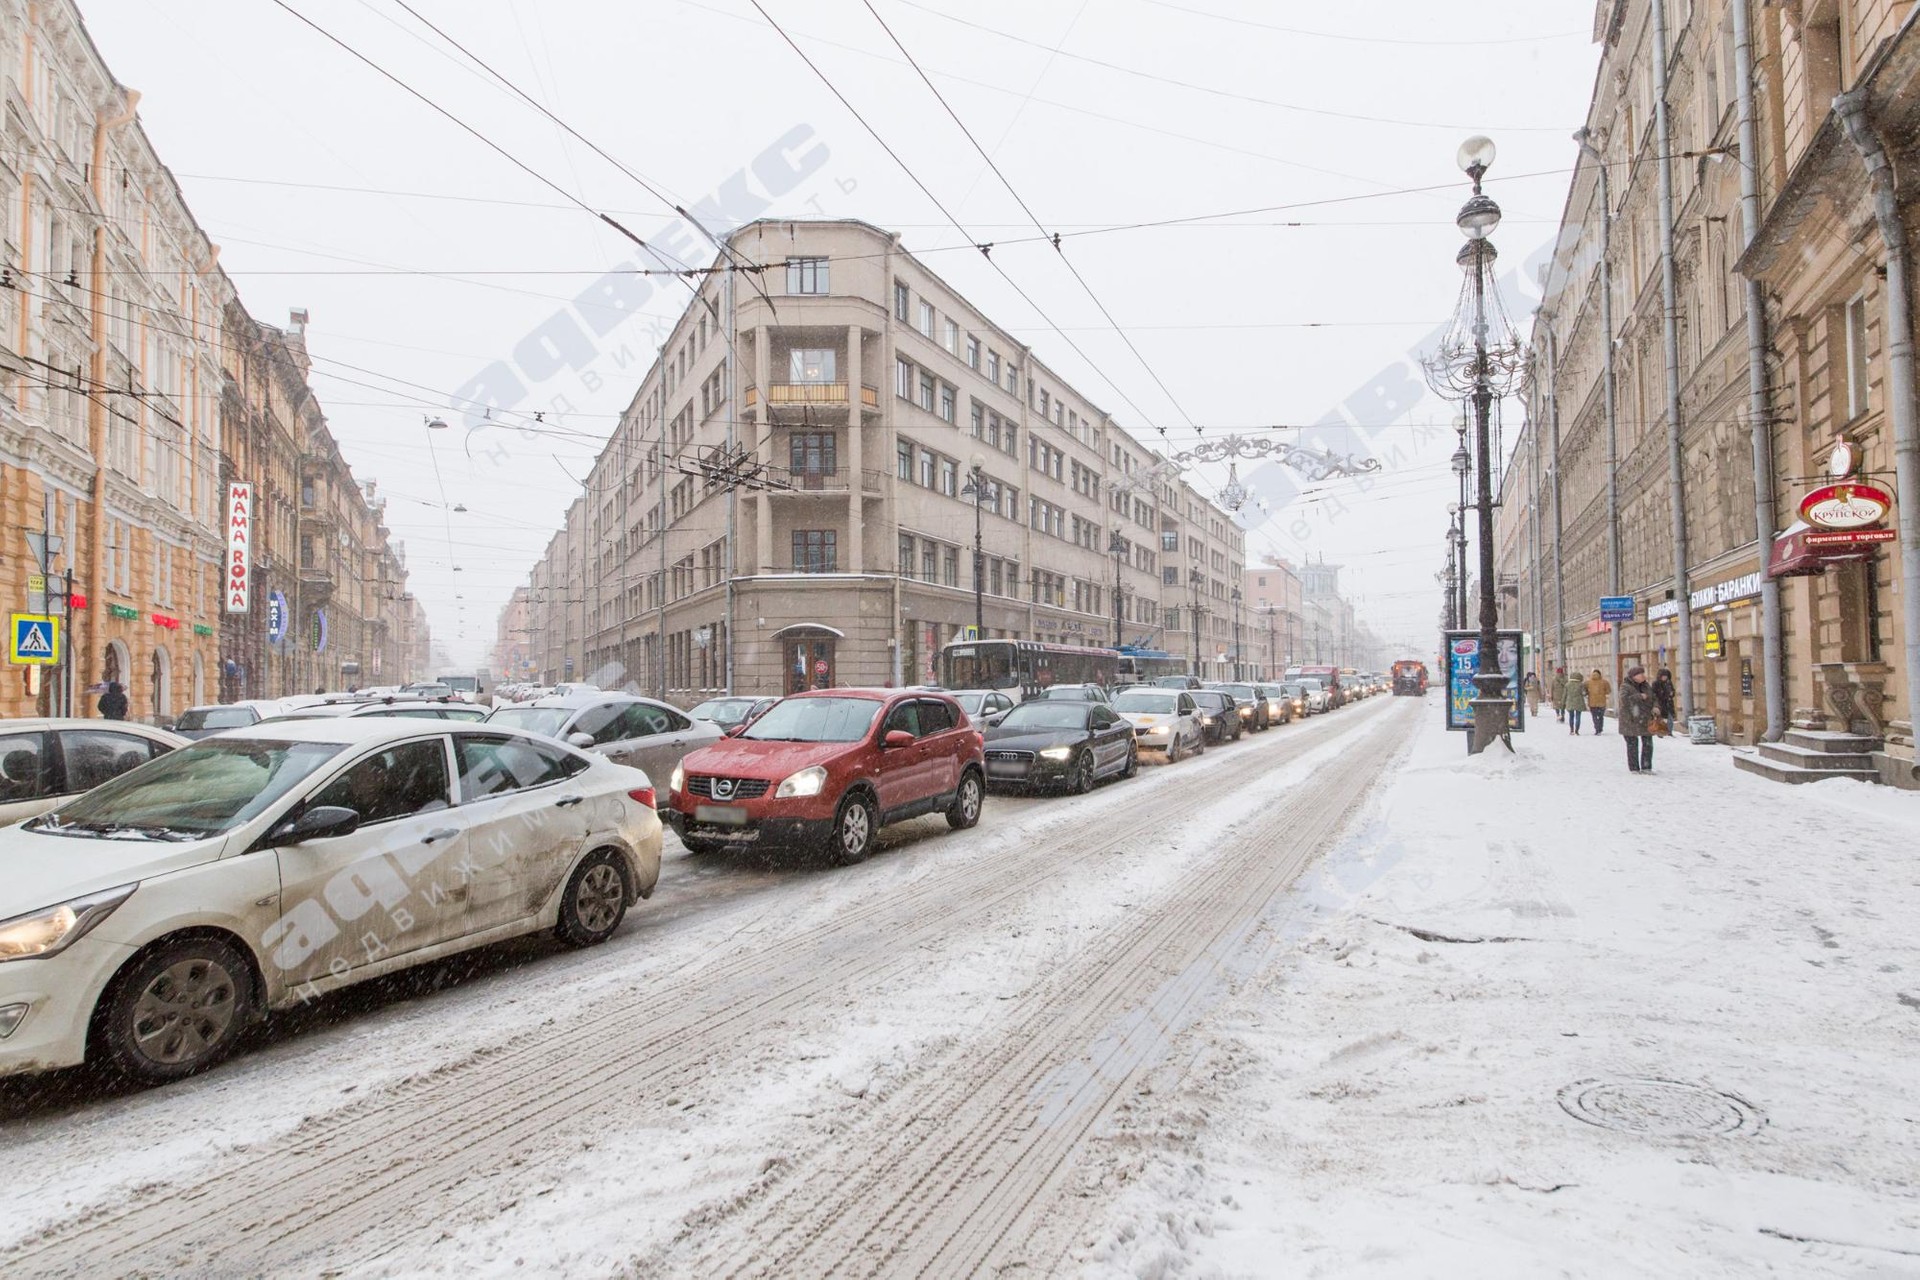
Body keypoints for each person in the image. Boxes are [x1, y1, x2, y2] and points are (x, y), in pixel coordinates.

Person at [1619, 665, 1658, 773]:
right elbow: (1624, 700)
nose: (1643, 676)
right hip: (1630, 720)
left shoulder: (1646, 686)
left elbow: (1653, 698)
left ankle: (1646, 767)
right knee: (1632, 744)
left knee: (1648, 743)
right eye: (1641, 674)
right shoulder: (1625, 686)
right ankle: (1634, 768)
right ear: (1634, 676)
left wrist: (1656, 706)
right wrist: (1639, 696)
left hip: (1645, 719)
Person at [1586, 668, 1613, 734]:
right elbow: (1608, 691)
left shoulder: (1588, 682)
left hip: (1592, 702)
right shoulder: (1604, 682)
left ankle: (1597, 728)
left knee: (1594, 716)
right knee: (1601, 716)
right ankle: (1600, 728)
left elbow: (1585, 691)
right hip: (1602, 702)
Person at [1651, 667, 1677, 736]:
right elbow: (1654, 694)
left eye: (1666, 676)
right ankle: (1660, 732)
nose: (1665, 678)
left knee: (1670, 718)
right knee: (1660, 718)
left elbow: (1673, 691)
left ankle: (1669, 731)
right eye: (1663, 676)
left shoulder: (1668, 683)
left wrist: (1672, 693)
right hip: (1660, 703)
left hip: (1669, 703)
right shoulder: (1656, 683)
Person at [1564, 669, 1588, 734]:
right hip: (1579, 702)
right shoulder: (1581, 685)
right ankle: (1577, 730)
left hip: (1570, 702)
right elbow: (1584, 693)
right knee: (1578, 716)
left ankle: (1571, 729)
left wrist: (1563, 702)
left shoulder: (1567, 685)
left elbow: (1564, 694)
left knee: (1571, 716)